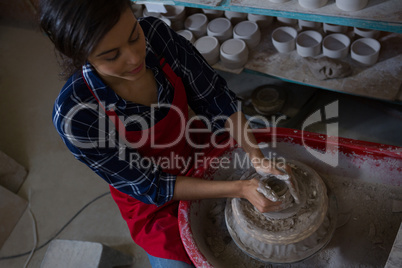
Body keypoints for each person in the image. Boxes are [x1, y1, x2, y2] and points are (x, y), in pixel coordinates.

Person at [40, 0, 296, 267]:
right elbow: (153, 185)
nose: (135, 57)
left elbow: (215, 100)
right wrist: (240, 188)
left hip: (193, 149)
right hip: (152, 203)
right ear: (81, 56)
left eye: (133, 36)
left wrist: (255, 155)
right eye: (112, 55)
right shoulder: (75, 115)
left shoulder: (156, 36)